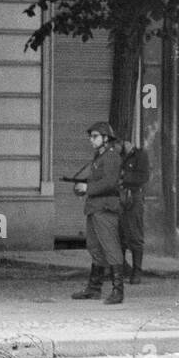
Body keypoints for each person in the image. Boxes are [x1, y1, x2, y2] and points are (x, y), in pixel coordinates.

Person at [71, 122, 125, 304]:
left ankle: (118, 291)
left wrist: (88, 187)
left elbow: (110, 183)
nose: (91, 140)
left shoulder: (111, 157)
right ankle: (94, 289)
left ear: (105, 138)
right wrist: (81, 187)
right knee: (94, 247)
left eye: (95, 136)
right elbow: (95, 180)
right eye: (91, 137)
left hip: (106, 208)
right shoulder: (99, 156)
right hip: (95, 207)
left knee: (111, 248)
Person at [119, 139, 150, 284]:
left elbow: (143, 177)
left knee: (135, 234)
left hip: (134, 196)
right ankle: (122, 268)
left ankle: (137, 270)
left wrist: (123, 177)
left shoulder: (140, 156)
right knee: (119, 233)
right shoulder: (117, 155)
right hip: (119, 196)